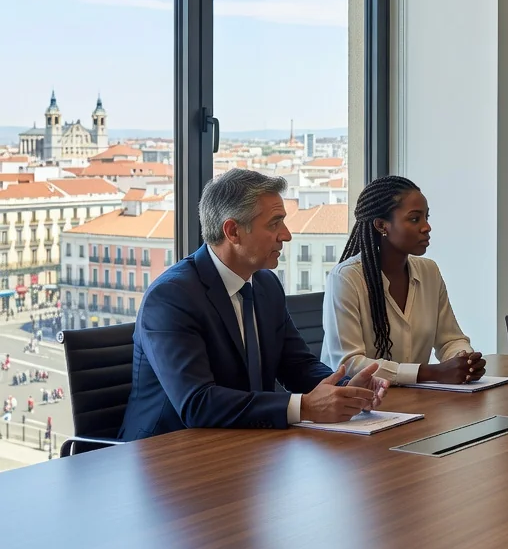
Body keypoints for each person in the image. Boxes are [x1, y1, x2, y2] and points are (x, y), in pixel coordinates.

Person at [119, 169, 389, 440]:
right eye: (274, 224)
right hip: (167, 450)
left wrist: (346, 389)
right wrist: (304, 407)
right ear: (233, 231)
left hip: (245, 441)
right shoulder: (171, 297)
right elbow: (197, 403)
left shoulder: (265, 284)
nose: (286, 235)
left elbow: (297, 365)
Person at [322, 175, 484, 386]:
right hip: (358, 400)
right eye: (415, 219)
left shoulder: (429, 271)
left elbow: (450, 339)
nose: (427, 227)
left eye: (426, 217)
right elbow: (349, 363)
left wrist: (464, 360)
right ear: (381, 225)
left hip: (415, 398)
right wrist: (430, 373)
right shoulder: (346, 278)